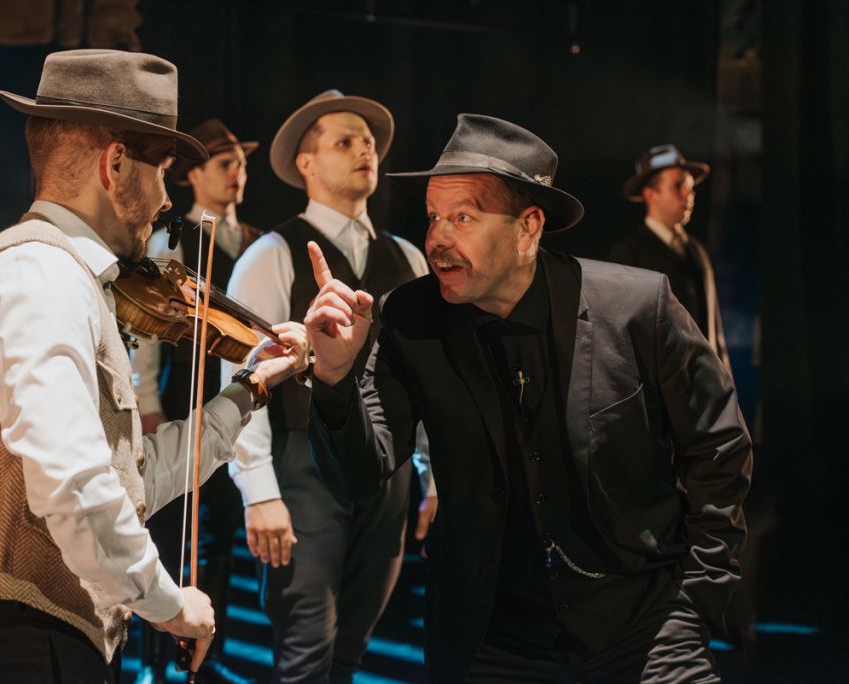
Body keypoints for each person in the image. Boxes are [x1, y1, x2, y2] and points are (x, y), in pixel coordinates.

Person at [0, 49, 307, 683]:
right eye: (163, 172)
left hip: (44, 641)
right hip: (16, 647)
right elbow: (77, 490)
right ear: (115, 165)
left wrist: (248, 389)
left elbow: (124, 480)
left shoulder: (71, 278)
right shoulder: (41, 275)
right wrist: (168, 604)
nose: (165, 200)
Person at [305, 114, 752, 681]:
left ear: (528, 227)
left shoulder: (637, 308)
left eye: (463, 217)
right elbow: (356, 474)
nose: (438, 238)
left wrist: (697, 600)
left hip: (642, 626)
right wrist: (334, 375)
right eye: (434, 216)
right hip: (492, 639)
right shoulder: (409, 318)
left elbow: (719, 448)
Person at [223, 90, 434, 682]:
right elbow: (241, 380)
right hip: (303, 470)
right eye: (345, 141)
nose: (365, 149)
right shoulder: (271, 254)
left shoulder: (407, 257)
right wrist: (259, 491)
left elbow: (425, 380)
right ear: (307, 163)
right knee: (306, 652)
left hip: (390, 474)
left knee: (352, 652)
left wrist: (432, 476)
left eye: (368, 141)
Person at [132, 118, 262, 684]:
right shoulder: (174, 237)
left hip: (239, 404)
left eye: (242, 165)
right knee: (167, 535)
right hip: (179, 399)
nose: (238, 174)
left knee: (221, 535)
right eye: (225, 164)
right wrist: (148, 404)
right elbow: (147, 331)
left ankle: (212, 651)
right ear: (193, 176)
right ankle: (154, 659)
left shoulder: (256, 241)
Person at [610, 144, 730, 371]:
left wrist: (724, 377)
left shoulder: (697, 250)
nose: (689, 195)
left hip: (706, 383)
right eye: (678, 186)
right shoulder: (629, 254)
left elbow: (715, 327)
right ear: (650, 194)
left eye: (691, 187)